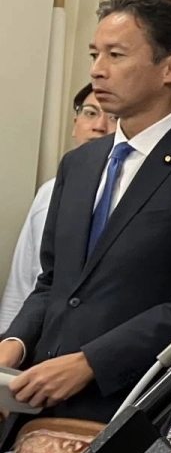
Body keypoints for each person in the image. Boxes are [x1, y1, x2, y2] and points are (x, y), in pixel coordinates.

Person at [0, 0, 171, 438]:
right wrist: (13, 344)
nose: (97, 69)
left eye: (116, 55)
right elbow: (53, 283)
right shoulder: (79, 164)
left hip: (128, 408)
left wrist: (93, 362)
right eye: (95, 54)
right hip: (32, 406)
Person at [0, 85, 116, 332]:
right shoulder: (48, 192)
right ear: (75, 123)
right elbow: (22, 279)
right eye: (90, 113)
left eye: (113, 117)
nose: (99, 126)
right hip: (32, 334)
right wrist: (8, 338)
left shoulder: (128, 193)